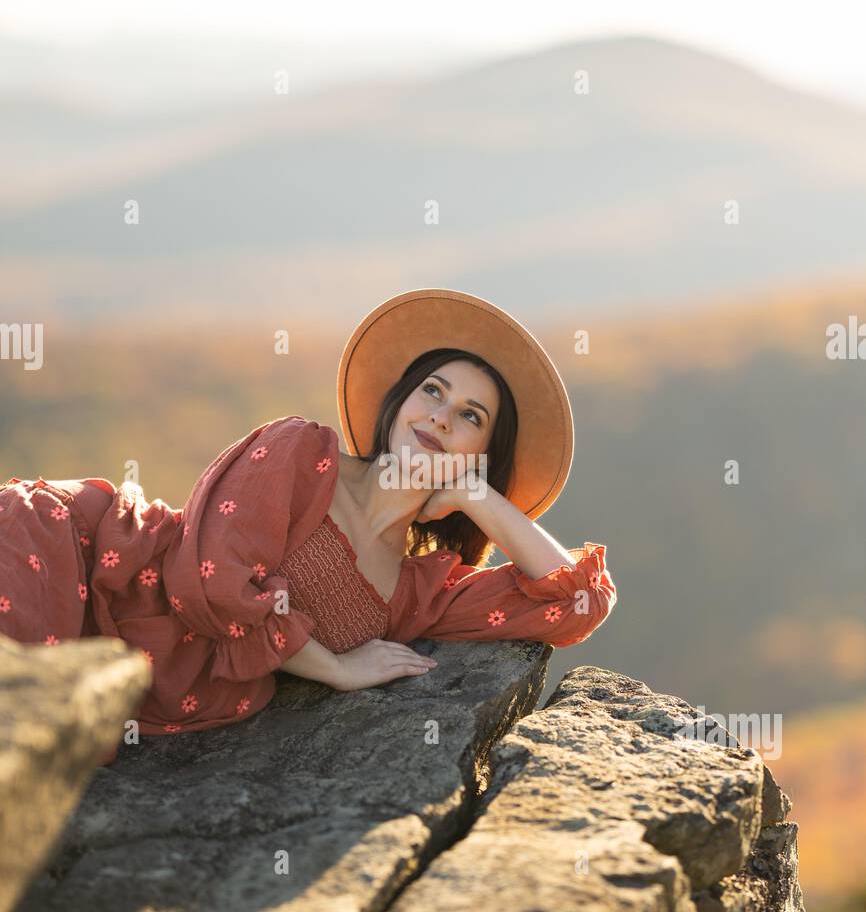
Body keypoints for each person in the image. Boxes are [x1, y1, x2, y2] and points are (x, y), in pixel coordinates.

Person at [0, 289, 616, 755]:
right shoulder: (301, 451)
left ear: (481, 454)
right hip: (67, 552)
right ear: (399, 401)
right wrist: (335, 666)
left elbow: (579, 603)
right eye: (432, 390)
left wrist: (481, 500)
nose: (442, 417)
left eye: (470, 416)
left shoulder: (415, 594)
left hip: (135, 684)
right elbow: (212, 587)